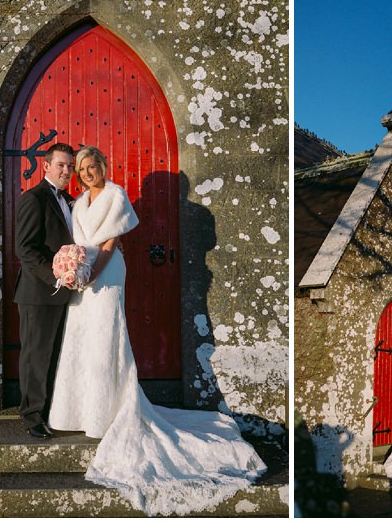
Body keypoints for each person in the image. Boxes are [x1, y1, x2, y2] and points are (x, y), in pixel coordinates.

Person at [47, 146, 266, 516]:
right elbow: (78, 241)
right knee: (80, 341)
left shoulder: (115, 195)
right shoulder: (79, 201)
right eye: (81, 168)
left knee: (105, 338)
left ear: (103, 166)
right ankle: (77, 413)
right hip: (83, 275)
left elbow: (110, 241)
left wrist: (91, 273)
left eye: (92, 166)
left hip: (106, 272)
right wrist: (74, 270)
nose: (86, 172)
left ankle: (106, 412)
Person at [13, 142, 75, 439]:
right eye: (61, 165)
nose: (67, 171)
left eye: (70, 166)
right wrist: (56, 277)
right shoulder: (33, 198)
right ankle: (31, 416)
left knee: (54, 355)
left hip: (64, 293)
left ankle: (49, 410)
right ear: (46, 166)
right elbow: (25, 249)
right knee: (35, 355)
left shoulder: (71, 201)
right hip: (38, 292)